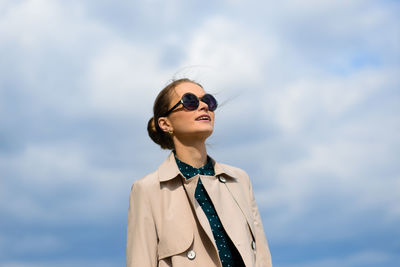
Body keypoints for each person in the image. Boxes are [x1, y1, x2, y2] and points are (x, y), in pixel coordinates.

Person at [126, 78, 272, 267]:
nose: (203, 106)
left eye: (208, 101)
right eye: (190, 101)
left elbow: (262, 259)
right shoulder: (147, 190)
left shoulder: (240, 180)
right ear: (165, 124)